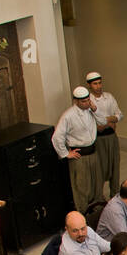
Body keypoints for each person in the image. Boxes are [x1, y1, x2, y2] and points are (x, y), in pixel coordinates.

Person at [51, 86, 100, 214]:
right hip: (79, 156)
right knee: (81, 186)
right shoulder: (68, 116)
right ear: (76, 101)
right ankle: (83, 213)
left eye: (88, 100)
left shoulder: (90, 110)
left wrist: (95, 109)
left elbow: (101, 121)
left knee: (95, 183)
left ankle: (95, 211)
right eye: (83, 101)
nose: (86, 103)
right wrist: (66, 153)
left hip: (93, 152)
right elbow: (57, 137)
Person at [84, 71, 122, 198]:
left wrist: (106, 121)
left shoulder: (109, 97)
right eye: (95, 84)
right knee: (100, 169)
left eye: (100, 83)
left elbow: (119, 115)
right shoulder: (87, 101)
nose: (98, 86)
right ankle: (98, 198)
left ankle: (115, 195)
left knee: (114, 166)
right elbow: (92, 124)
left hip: (112, 137)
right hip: (98, 139)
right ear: (89, 85)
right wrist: (109, 121)